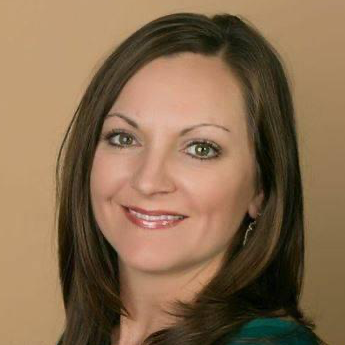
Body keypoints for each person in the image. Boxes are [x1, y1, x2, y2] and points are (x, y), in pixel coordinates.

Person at [55, 12, 326, 345]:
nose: (148, 181)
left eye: (200, 148)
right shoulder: (87, 336)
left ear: (261, 189)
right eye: (124, 138)